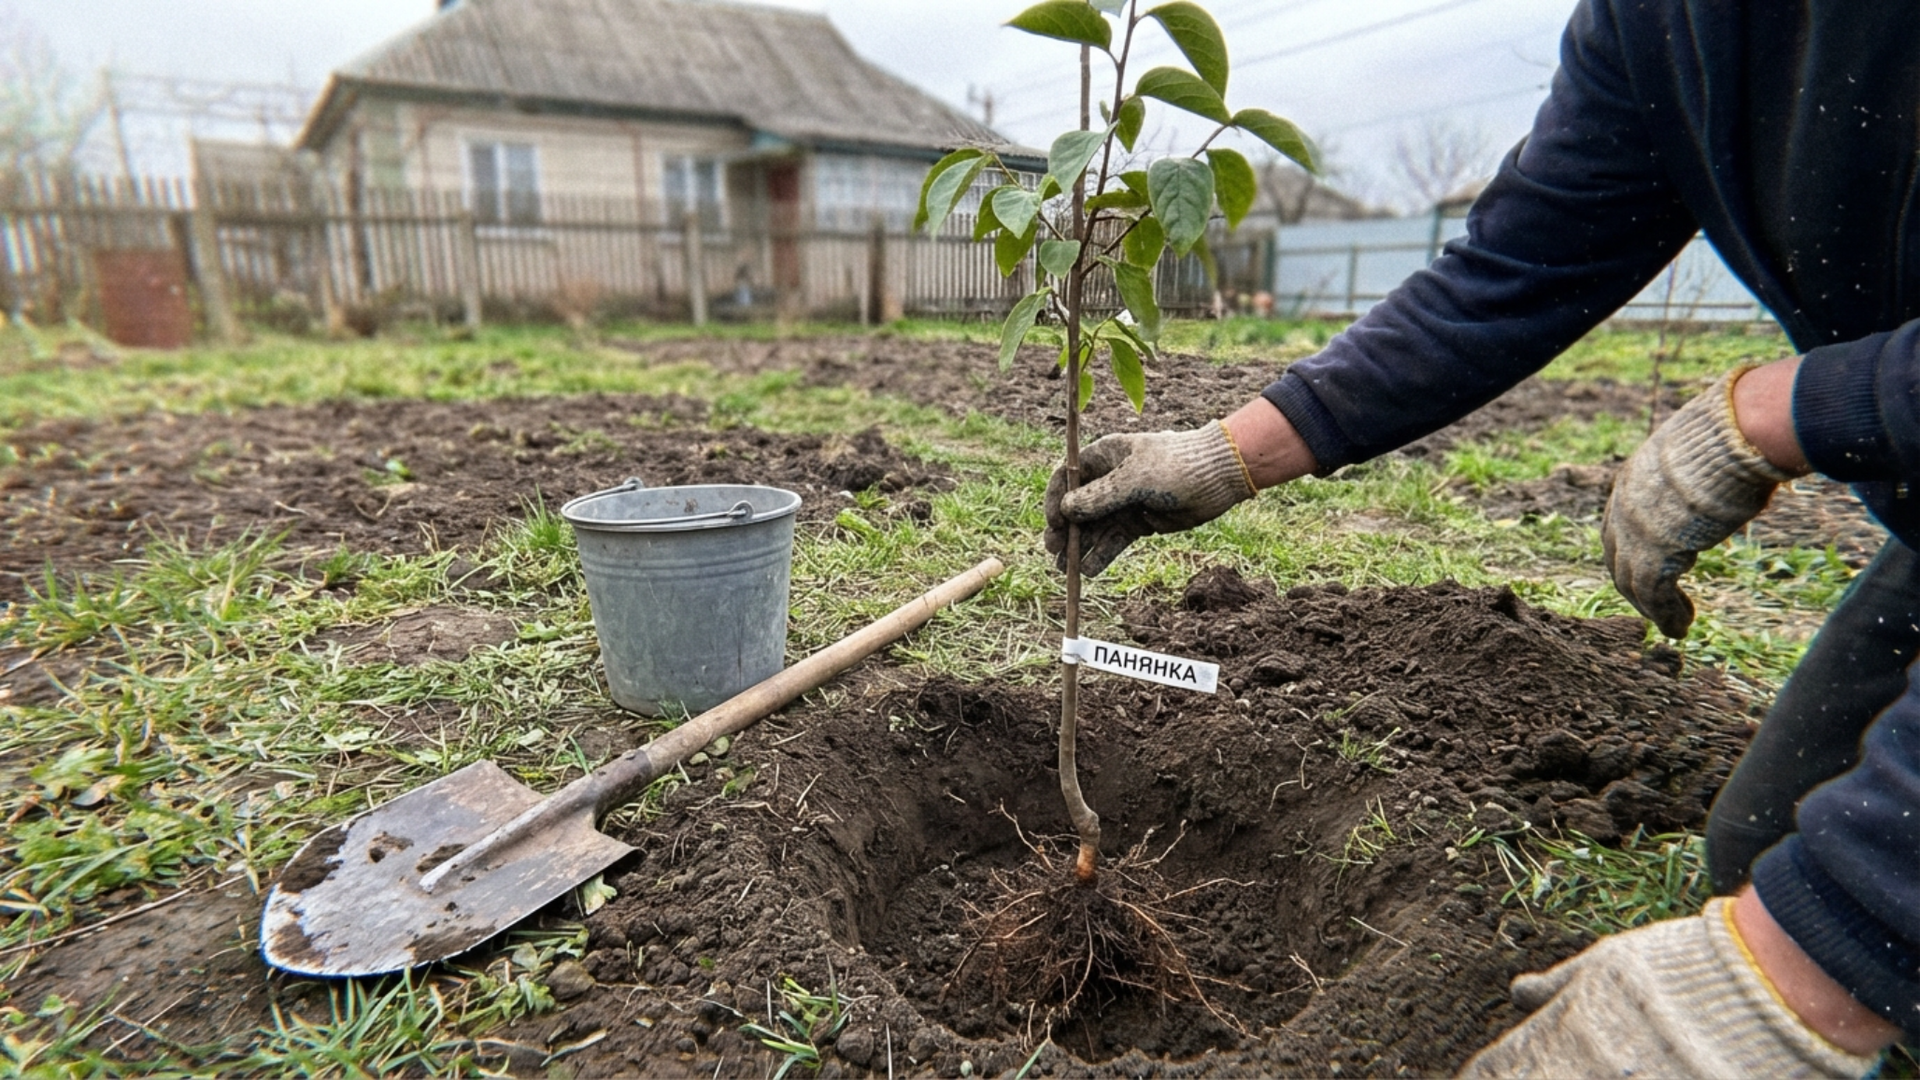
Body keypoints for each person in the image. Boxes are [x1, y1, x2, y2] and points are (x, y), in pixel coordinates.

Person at [1044, 1, 1919, 1074]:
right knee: (1763, 844)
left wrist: (1815, 964)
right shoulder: (1654, 26)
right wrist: (1225, 455)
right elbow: (1508, 272)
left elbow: (1852, 915)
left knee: (1848, 907)